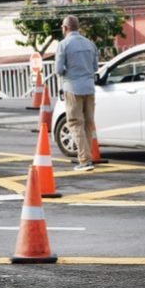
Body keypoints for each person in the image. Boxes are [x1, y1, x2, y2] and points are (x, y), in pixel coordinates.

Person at [55, 15, 99, 171]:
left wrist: (71, 72)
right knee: (88, 123)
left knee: (74, 123)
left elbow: (59, 70)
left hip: (73, 88)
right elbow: (95, 67)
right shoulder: (90, 44)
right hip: (89, 87)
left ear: (65, 28)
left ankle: (84, 160)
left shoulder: (63, 45)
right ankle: (88, 157)